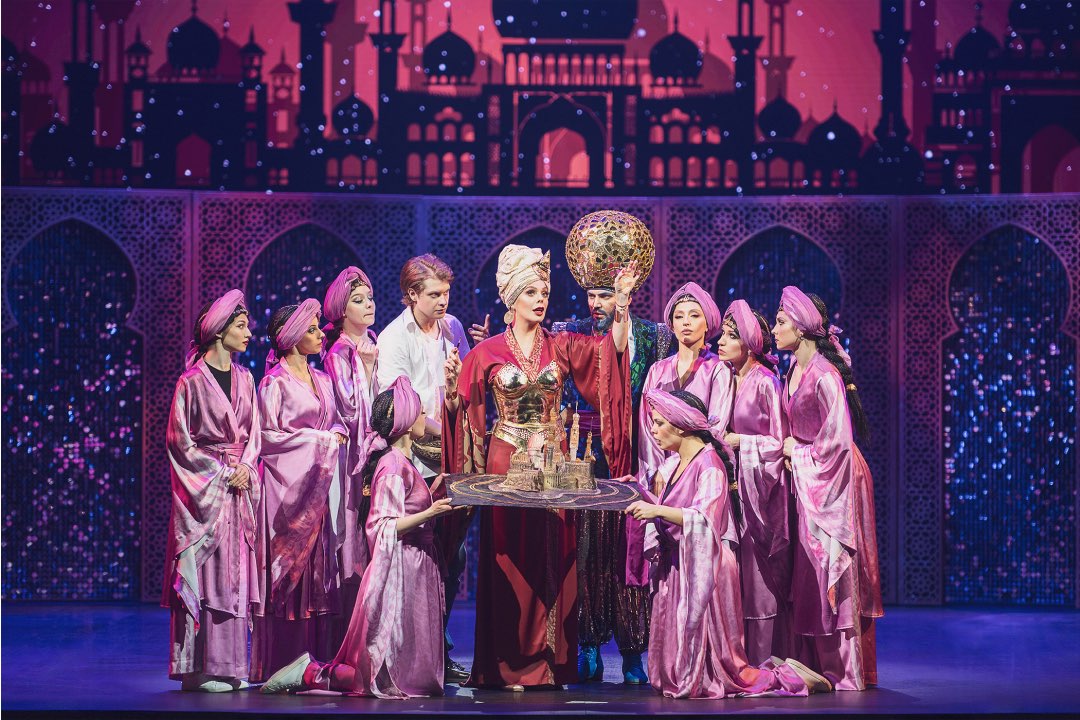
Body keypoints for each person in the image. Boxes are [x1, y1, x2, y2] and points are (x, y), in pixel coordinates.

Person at [442, 244, 637, 689]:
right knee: (510, 557)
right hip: (507, 459)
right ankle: (507, 663)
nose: (540, 299)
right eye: (531, 292)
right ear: (512, 299)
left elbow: (608, 358)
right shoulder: (486, 351)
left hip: (554, 461)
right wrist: (452, 393)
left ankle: (549, 664)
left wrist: (622, 307)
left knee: (555, 554)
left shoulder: (561, 345)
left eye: (544, 292)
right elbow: (464, 413)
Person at [622, 389, 830, 699]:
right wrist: (639, 493)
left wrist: (657, 510)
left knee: (727, 673)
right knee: (674, 675)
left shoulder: (709, 464)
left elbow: (704, 518)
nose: (653, 430)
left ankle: (789, 677)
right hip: (680, 566)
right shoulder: (677, 462)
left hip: (707, 570)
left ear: (681, 425)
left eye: (659, 423)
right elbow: (676, 507)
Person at [260, 377, 457, 698]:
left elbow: (407, 507)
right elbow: (382, 525)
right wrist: (431, 513)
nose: (425, 418)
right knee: (377, 677)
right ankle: (309, 672)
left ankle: (314, 671)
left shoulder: (404, 463)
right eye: (421, 413)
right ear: (407, 421)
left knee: (407, 674)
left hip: (414, 569)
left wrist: (433, 494)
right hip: (398, 573)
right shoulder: (392, 466)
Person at [554, 267, 673, 684]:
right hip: (583, 454)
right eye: (591, 294)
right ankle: (587, 644)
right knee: (586, 552)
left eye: (605, 295)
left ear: (625, 293)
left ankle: (632, 651)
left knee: (630, 552)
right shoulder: (572, 332)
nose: (596, 304)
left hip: (634, 454)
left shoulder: (654, 336)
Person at [374, 253, 486, 683]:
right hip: (414, 463)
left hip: (450, 460)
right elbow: (404, 411)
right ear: (411, 295)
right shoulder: (393, 339)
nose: (443, 301)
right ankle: (411, 650)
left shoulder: (451, 328)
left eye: (446, 293)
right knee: (420, 555)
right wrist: (451, 433)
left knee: (453, 556)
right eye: (435, 294)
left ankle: (436, 643)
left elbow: (464, 390)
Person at [773, 286, 883, 690]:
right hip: (812, 474)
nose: (774, 330)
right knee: (809, 567)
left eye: (780, 322)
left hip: (835, 476)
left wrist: (797, 452)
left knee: (830, 562)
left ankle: (845, 669)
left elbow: (837, 443)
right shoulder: (792, 371)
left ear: (802, 328)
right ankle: (817, 662)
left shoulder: (824, 375)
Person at [163, 289, 260, 692]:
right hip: (203, 492)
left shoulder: (246, 378)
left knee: (232, 576)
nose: (249, 333)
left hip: (237, 488)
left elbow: (254, 435)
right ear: (220, 330)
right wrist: (221, 473)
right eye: (241, 326)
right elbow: (179, 443)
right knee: (206, 573)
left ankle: (229, 665)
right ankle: (198, 669)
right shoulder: (190, 382)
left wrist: (247, 468)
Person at [250, 299, 349, 683]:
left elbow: (334, 421)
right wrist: (320, 440)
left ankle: (313, 663)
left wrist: (335, 433)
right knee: (290, 572)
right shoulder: (274, 383)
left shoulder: (322, 379)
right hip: (286, 493)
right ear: (290, 337)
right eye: (311, 330)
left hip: (318, 490)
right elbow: (268, 438)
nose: (321, 334)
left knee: (317, 572)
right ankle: (282, 663)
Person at [624, 283, 735, 605]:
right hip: (663, 478)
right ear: (670, 324)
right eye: (679, 316)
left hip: (699, 472)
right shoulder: (658, 370)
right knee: (665, 569)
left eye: (694, 315)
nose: (686, 322)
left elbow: (716, 425)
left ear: (707, 322)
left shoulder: (718, 370)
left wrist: (678, 464)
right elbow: (648, 428)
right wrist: (657, 472)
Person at [718, 299, 793, 664]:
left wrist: (741, 442)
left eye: (729, 336)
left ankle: (763, 659)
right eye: (721, 335)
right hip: (730, 488)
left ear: (749, 343)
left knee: (758, 577)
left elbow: (778, 443)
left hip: (759, 493)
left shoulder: (766, 382)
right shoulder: (725, 378)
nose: (720, 342)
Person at [322, 266, 379, 614]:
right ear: (342, 311)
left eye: (370, 297)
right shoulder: (339, 354)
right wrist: (368, 370)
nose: (369, 304)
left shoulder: (371, 343)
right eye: (359, 300)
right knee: (353, 529)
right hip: (352, 457)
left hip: (377, 452)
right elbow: (349, 410)